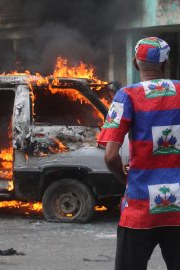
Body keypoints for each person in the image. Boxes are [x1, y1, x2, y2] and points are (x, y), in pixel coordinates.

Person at [97, 37, 180, 270]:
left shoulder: (127, 95)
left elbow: (110, 156)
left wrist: (126, 179)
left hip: (139, 208)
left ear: (135, 63)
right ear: (166, 63)